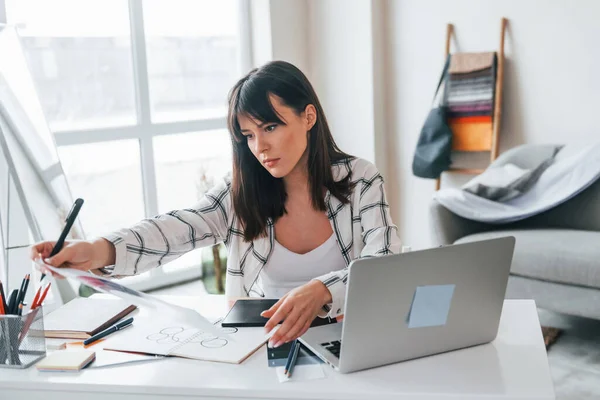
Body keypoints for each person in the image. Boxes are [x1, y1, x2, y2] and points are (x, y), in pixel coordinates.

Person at [30, 60, 401, 348]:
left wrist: (321, 290)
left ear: (308, 117)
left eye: (271, 128)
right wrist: (98, 250)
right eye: (249, 135)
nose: (260, 148)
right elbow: (178, 229)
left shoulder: (360, 180)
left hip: (349, 340)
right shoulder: (240, 191)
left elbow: (383, 261)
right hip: (260, 342)